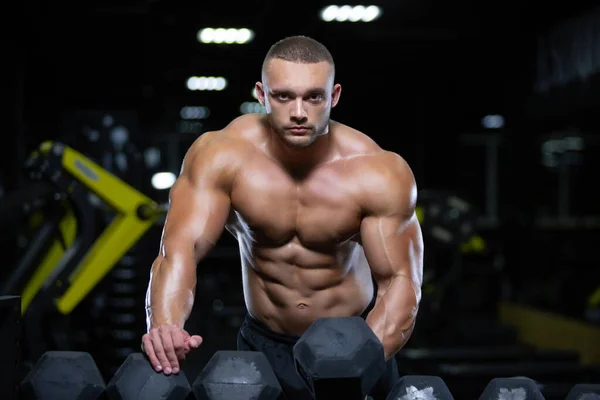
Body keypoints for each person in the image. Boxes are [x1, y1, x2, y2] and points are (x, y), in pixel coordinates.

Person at [142, 35, 424, 400]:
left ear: (334, 96)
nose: (299, 113)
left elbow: (401, 281)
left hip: (354, 341)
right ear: (261, 94)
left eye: (314, 97)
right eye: (284, 96)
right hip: (265, 343)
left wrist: (361, 359)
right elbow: (179, 249)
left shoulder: (377, 172)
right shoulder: (222, 156)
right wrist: (165, 324)